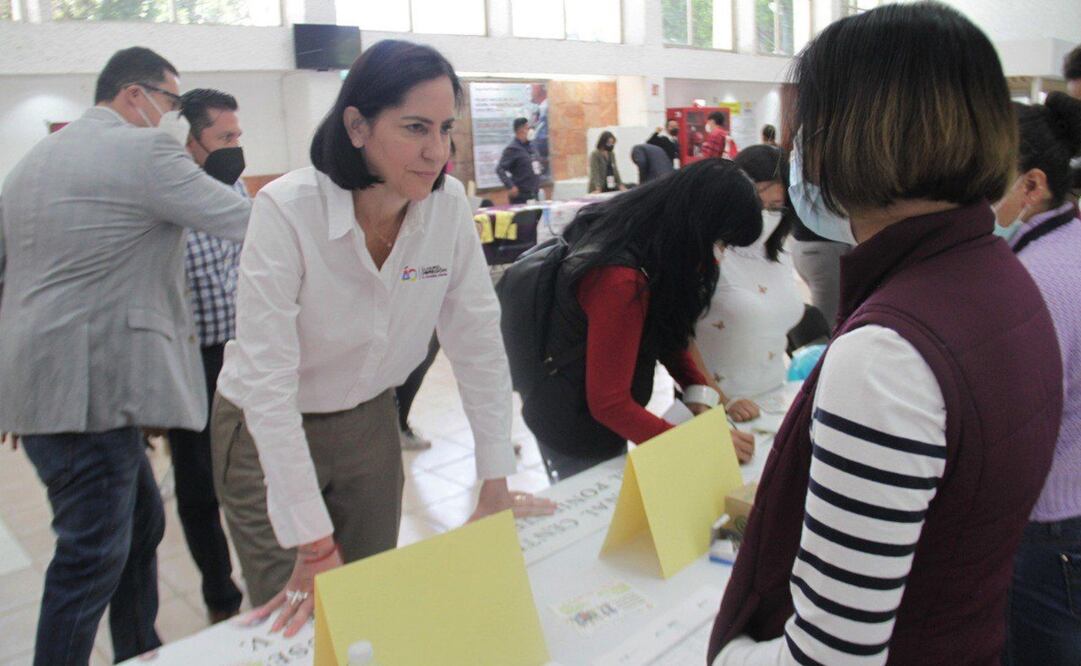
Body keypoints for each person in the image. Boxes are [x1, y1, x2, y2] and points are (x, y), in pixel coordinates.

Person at [709, 4, 1063, 665]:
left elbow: (830, 656)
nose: (799, 150)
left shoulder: (887, 352)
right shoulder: (999, 278)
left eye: (807, 125)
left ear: (854, 133)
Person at [211, 40, 556, 637]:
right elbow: (267, 385)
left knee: (367, 598)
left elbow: (477, 341)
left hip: (369, 417)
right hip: (265, 426)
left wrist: (494, 478)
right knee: (300, 617)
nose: (436, 152)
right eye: (415, 127)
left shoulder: (447, 208)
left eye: (446, 129)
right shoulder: (287, 210)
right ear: (357, 125)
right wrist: (313, 543)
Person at [0, 47, 251, 666]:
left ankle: (139, 649)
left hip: (45, 386)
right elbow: (241, 220)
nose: (171, 119)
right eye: (170, 103)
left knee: (140, 524)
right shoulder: (143, 149)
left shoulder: (33, 161)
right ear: (135, 95)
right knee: (90, 559)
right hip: (87, 394)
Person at [522, 158, 762, 482]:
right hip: (571, 424)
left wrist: (707, 396)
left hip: (597, 409)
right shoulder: (619, 277)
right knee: (599, 519)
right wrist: (701, 444)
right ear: (700, 225)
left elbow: (667, 331)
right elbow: (609, 403)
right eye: (721, 241)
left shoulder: (652, 241)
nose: (721, 254)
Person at [996, 92, 1081, 666]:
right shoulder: (1067, 249)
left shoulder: (1036, 278)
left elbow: (1017, 425)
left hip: (1047, 526)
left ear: (1033, 186)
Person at [166, 87, 247, 624]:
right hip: (190, 363)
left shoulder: (236, 188)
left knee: (255, 475)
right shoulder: (165, 197)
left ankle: (277, 573)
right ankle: (220, 595)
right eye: (225, 138)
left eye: (239, 136)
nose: (237, 147)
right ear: (191, 141)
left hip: (243, 356)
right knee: (198, 490)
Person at [693, 145, 803, 423]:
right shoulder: (709, 252)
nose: (766, 215)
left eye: (776, 207)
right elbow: (678, 339)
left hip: (774, 399)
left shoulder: (780, 252)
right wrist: (719, 399)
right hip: (717, 406)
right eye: (759, 204)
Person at [496, 117, 543, 204]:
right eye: (527, 128)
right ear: (521, 130)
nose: (530, 130)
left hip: (534, 194)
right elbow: (500, 169)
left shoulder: (532, 147)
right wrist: (510, 186)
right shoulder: (512, 149)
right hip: (521, 197)